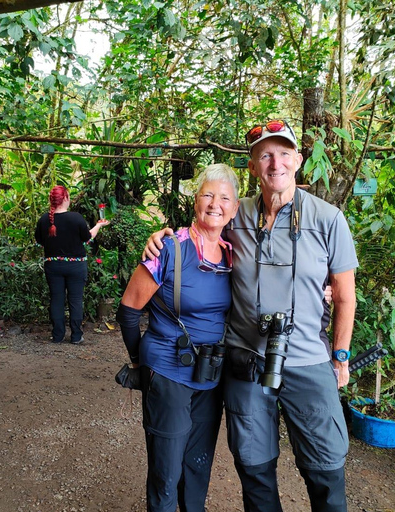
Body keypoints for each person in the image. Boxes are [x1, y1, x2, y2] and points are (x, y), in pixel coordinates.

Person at [143, 119, 358, 512]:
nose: (275, 163)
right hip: (246, 359)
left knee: (325, 466)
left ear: (298, 160)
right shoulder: (234, 214)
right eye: (265, 156)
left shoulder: (328, 220)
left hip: (308, 360)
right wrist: (160, 238)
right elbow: (198, 232)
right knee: (253, 463)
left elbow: (345, 296)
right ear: (253, 167)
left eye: (283, 154)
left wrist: (340, 357)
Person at [116, 164, 240, 512]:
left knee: (197, 466)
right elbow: (128, 310)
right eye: (208, 195)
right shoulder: (169, 249)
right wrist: (141, 361)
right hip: (168, 372)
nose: (216, 204)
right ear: (195, 201)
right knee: (166, 470)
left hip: (210, 375)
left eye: (225, 198)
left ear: (234, 208)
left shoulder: (233, 254)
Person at [35, 185, 109, 344]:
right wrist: (99, 225)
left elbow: (39, 242)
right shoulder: (76, 218)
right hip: (76, 266)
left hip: (53, 266)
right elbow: (87, 238)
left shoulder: (43, 220)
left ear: (52, 200)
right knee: (75, 300)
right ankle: (76, 336)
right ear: (66, 198)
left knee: (56, 299)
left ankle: (57, 335)